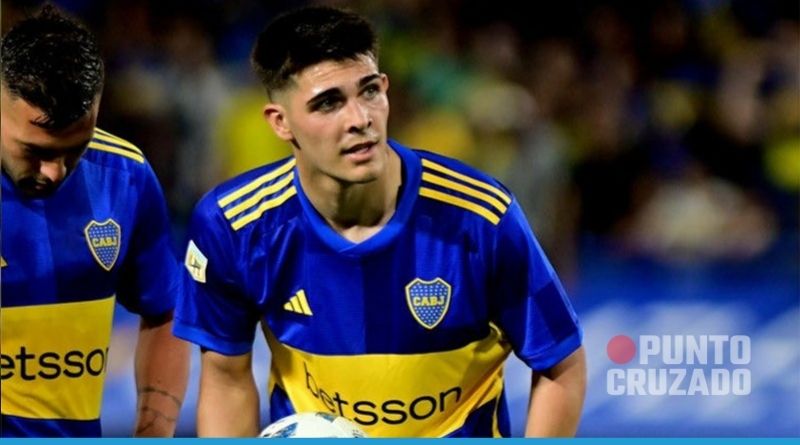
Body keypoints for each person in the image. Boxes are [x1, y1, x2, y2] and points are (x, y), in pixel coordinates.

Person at [174, 6, 586, 438]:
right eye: (328, 103)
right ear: (281, 122)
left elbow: (561, 365)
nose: (360, 120)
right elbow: (226, 377)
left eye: (369, 91)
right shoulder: (234, 226)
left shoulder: (480, 218)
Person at [0, 7, 189, 437]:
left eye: (76, 148)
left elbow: (164, 312)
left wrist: (152, 433)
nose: (55, 172)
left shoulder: (126, 176)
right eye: (36, 151)